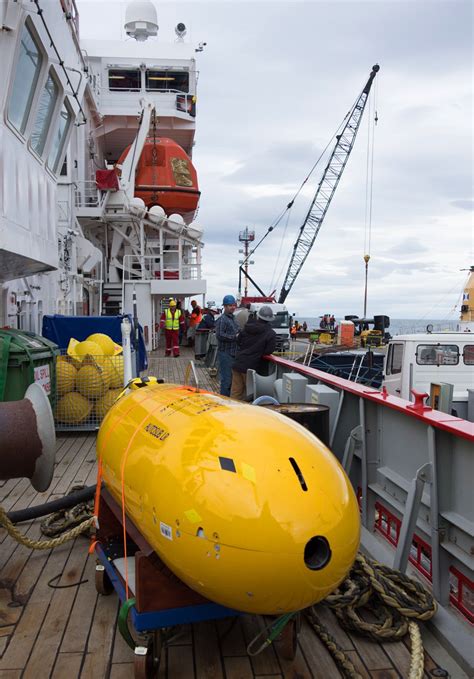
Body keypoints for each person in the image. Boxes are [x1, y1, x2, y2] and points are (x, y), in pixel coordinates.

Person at [231, 305, 277, 400]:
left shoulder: (247, 327)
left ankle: (234, 412)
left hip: (238, 363)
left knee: (236, 393)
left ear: (258, 316)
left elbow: (238, 341)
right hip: (251, 367)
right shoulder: (270, 333)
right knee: (249, 395)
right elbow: (269, 350)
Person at [215, 294, 240, 396]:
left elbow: (237, 330)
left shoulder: (233, 318)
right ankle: (224, 401)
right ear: (225, 306)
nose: (233, 307)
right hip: (225, 354)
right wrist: (235, 337)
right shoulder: (222, 319)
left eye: (234, 305)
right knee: (226, 381)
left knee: (231, 380)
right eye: (230, 305)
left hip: (233, 353)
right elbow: (220, 335)